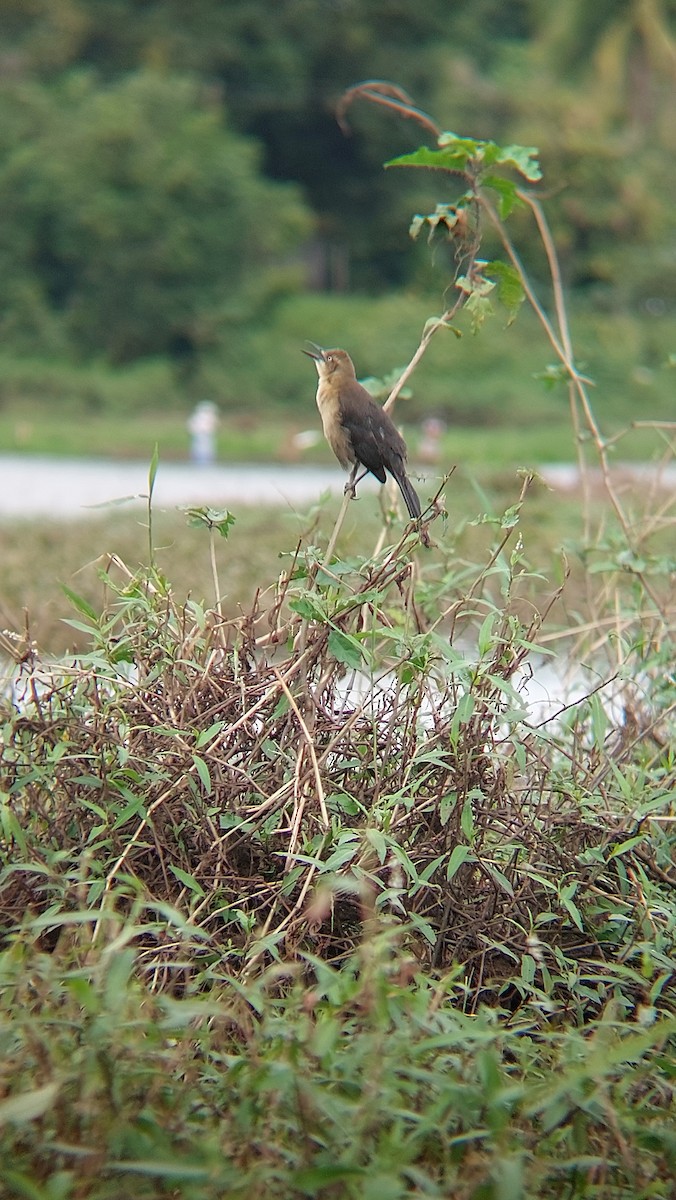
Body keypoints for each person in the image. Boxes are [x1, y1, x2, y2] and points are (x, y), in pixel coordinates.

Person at [188, 401, 219, 465]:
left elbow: (190, 426)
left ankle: (202, 460)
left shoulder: (196, 416)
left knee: (202, 448)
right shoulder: (208, 416)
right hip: (202, 435)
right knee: (203, 448)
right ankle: (203, 461)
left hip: (202, 435)